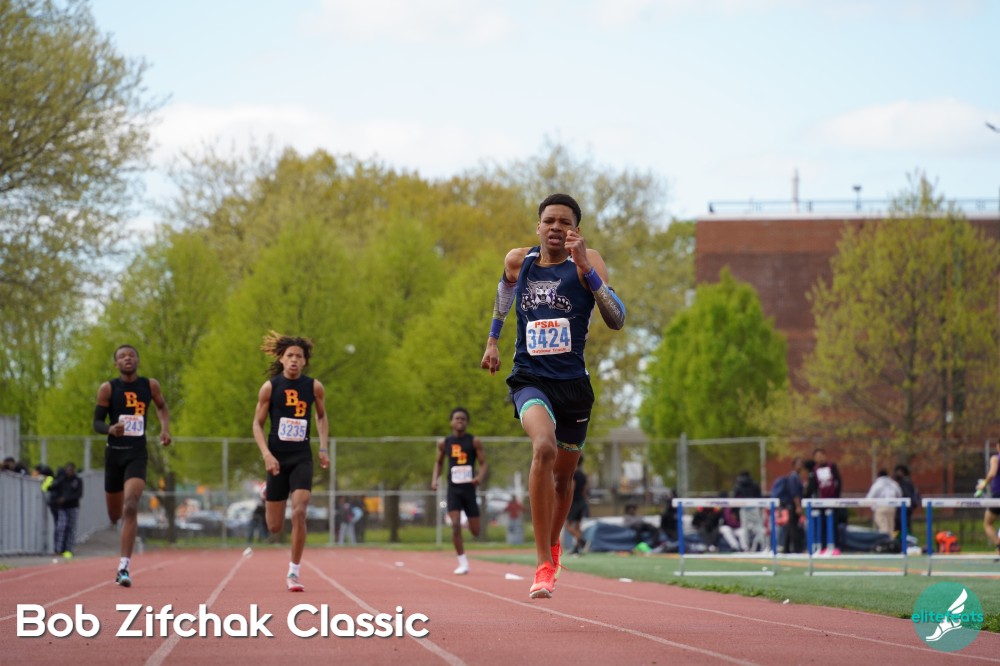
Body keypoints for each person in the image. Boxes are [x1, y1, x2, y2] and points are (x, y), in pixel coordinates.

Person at [481, 193, 626, 599]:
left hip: (573, 385)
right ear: (538, 227)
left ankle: (555, 545)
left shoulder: (588, 261)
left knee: (564, 479)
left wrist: (587, 272)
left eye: (565, 222)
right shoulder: (519, 260)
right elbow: (504, 291)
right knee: (543, 447)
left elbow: (616, 319)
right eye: (550, 221)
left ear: (576, 230)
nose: (556, 228)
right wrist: (492, 339)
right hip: (530, 378)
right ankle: (543, 562)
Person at [252, 331, 329, 592]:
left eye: (299, 356)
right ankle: (268, 490)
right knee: (274, 527)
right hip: (277, 458)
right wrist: (266, 454)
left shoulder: (314, 387)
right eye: (290, 355)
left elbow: (321, 416)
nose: (294, 360)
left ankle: (293, 572)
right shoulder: (270, 387)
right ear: (282, 359)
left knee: (299, 511)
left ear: (305, 361)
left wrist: (323, 447)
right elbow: (257, 424)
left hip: (301, 457)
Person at [93, 344, 171, 587]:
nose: (127, 359)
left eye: (131, 355)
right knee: (115, 514)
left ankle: (123, 567)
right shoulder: (108, 388)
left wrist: (165, 429)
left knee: (130, 505)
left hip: (136, 454)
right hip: (114, 455)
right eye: (122, 356)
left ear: (137, 360)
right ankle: (122, 542)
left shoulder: (150, 385)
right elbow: (96, 422)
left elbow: (161, 406)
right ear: (116, 363)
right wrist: (110, 428)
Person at [431, 407, 487, 574]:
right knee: (455, 525)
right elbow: (439, 463)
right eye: (457, 418)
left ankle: (465, 519)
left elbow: (483, 464)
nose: (460, 421)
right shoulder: (444, 443)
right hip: (453, 489)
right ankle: (463, 563)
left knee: (476, 531)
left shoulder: (474, 441)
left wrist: (479, 478)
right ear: (451, 422)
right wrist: (434, 479)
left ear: (467, 422)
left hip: (469, 489)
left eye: (463, 419)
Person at [807, 448, 843, 554]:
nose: (819, 458)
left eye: (821, 455)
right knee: (822, 525)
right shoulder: (814, 470)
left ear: (825, 456)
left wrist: (837, 497)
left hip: (833, 500)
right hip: (821, 501)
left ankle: (836, 546)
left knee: (834, 524)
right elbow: (813, 486)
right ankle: (823, 547)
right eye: (817, 456)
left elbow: (838, 481)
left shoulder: (832, 466)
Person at [772, 457, 805, 554]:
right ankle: (795, 548)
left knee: (790, 526)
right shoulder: (794, 477)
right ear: (794, 465)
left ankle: (786, 548)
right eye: (798, 464)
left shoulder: (797, 477)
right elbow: (795, 493)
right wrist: (798, 506)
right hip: (792, 505)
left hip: (792, 505)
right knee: (793, 527)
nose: (800, 466)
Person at [50, 462, 84, 558]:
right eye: (67, 470)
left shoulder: (77, 481)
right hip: (63, 507)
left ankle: (69, 549)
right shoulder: (62, 480)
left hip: (73, 507)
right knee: (61, 526)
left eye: (71, 470)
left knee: (71, 528)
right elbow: (54, 488)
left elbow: (78, 494)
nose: (69, 472)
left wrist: (66, 498)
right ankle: (58, 549)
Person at [974, 440, 1000, 555]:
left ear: (998, 446)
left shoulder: (995, 458)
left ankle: (998, 545)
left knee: (987, 523)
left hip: (998, 495)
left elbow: (992, 473)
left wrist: (983, 484)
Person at [732, 470, 766, 551]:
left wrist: (734, 511)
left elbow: (735, 498)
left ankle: (745, 547)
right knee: (758, 527)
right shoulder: (754, 484)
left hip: (743, 508)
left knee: (744, 528)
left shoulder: (738, 485)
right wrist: (760, 508)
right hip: (754, 508)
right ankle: (763, 545)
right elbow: (759, 496)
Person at [865, 469, 902, 537]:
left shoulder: (878, 484)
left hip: (881, 506)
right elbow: (899, 494)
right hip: (892, 506)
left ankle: (884, 540)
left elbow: (869, 497)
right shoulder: (893, 483)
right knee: (890, 526)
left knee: (883, 526)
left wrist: (873, 507)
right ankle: (890, 541)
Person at [565, 455, 589, 555]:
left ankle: (582, 540)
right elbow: (585, 490)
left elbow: (572, 488)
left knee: (568, 525)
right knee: (577, 526)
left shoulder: (573, 473)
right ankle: (577, 548)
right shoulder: (583, 475)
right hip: (582, 502)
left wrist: (567, 499)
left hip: (575, 502)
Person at [893, 464, 921, 535]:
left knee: (903, 530)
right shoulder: (904, 484)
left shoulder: (905, 484)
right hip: (903, 512)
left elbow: (908, 497)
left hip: (903, 511)